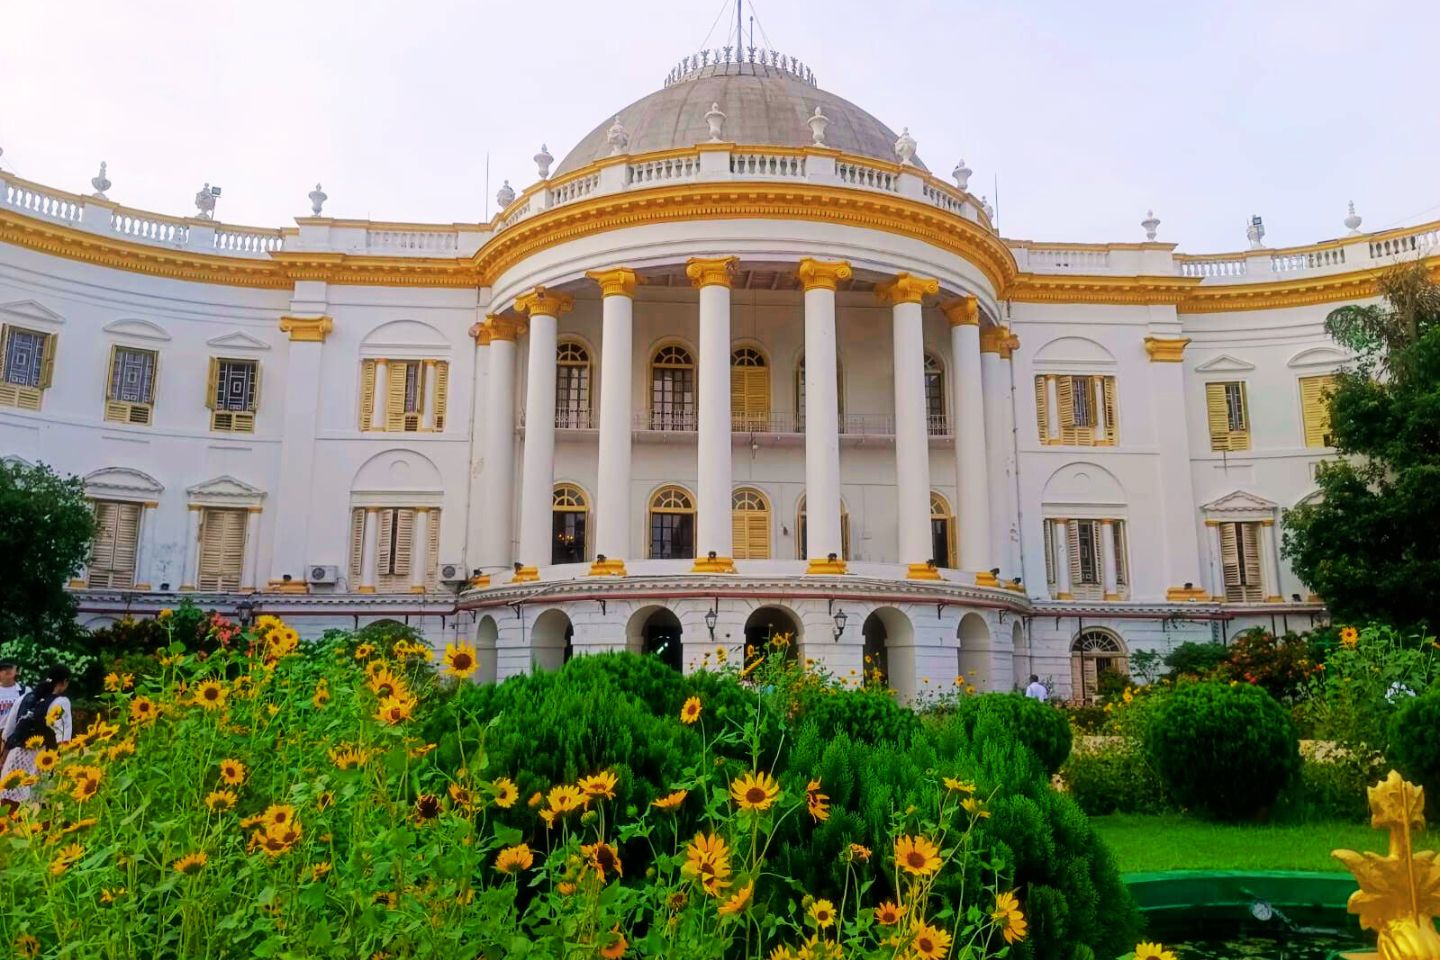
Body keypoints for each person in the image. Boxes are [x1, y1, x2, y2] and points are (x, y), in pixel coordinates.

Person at [0, 664, 72, 811]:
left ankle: (7, 831)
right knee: (45, 803)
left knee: (8, 803)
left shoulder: (23, 698)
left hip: (16, 757)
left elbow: (7, 735)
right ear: (64, 682)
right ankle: (45, 833)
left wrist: (3, 759)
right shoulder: (61, 702)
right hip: (44, 758)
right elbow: (63, 738)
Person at [0, 659, 26, 729]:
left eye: (10, 667)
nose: (7, 670)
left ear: (16, 671)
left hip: (17, 734)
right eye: (4, 668)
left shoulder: (25, 691)